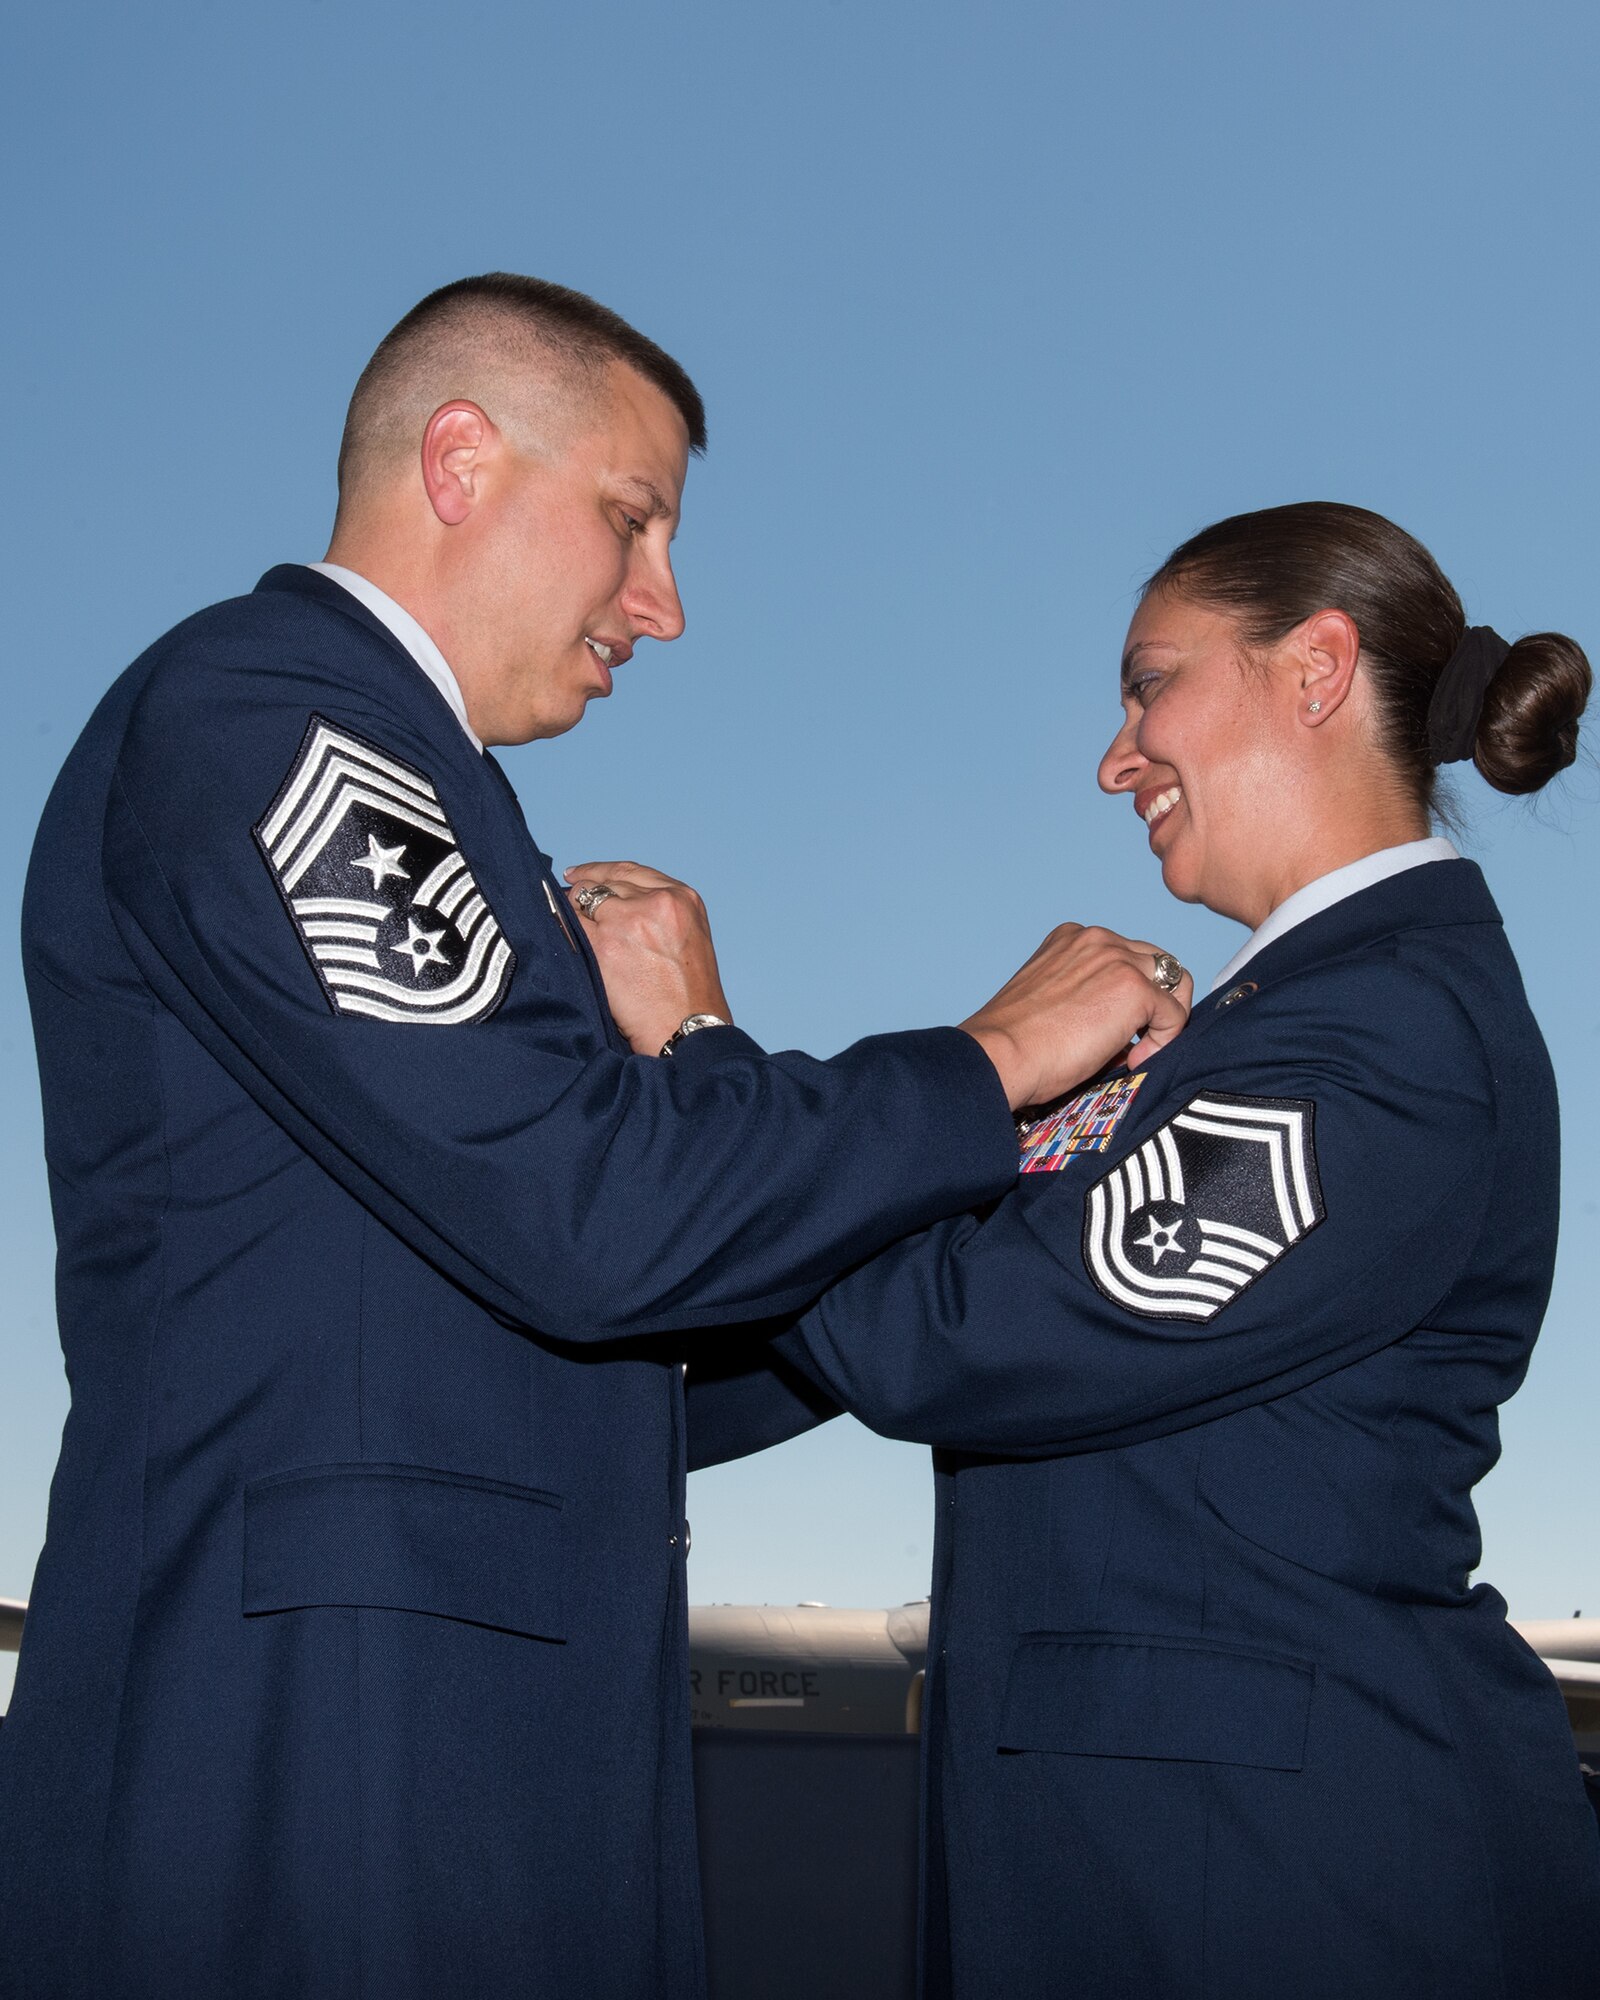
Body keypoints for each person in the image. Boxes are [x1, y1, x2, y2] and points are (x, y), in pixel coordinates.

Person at [0, 273, 1191, 2000]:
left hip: (468, 1737)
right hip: (319, 1749)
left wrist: (1006, 1166)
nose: (667, 603)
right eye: (632, 521)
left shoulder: (441, 797)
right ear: (462, 458)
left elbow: (611, 1344)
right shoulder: (279, 715)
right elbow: (590, 1215)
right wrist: (988, 1059)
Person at [678, 503, 1600, 1997]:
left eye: (1149, 682)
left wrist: (706, 1055)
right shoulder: (1260, 1037)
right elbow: (880, 1316)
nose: (1116, 757)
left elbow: (952, 1341)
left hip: (1280, 1888)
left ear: (1313, 670)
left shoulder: (1384, 1029)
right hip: (1171, 1864)